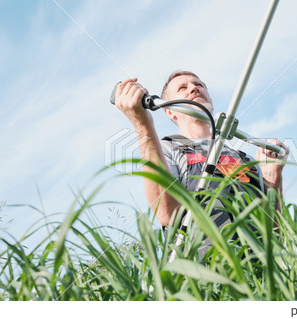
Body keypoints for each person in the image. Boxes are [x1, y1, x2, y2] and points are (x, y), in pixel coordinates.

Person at [114, 71, 287, 237]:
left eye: (199, 85)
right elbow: (167, 214)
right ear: (169, 111)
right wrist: (142, 125)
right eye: (182, 88)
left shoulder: (244, 158)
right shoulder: (167, 150)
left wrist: (273, 177)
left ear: (210, 100)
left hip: (257, 264)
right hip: (204, 263)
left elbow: (275, 237)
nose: (194, 88)